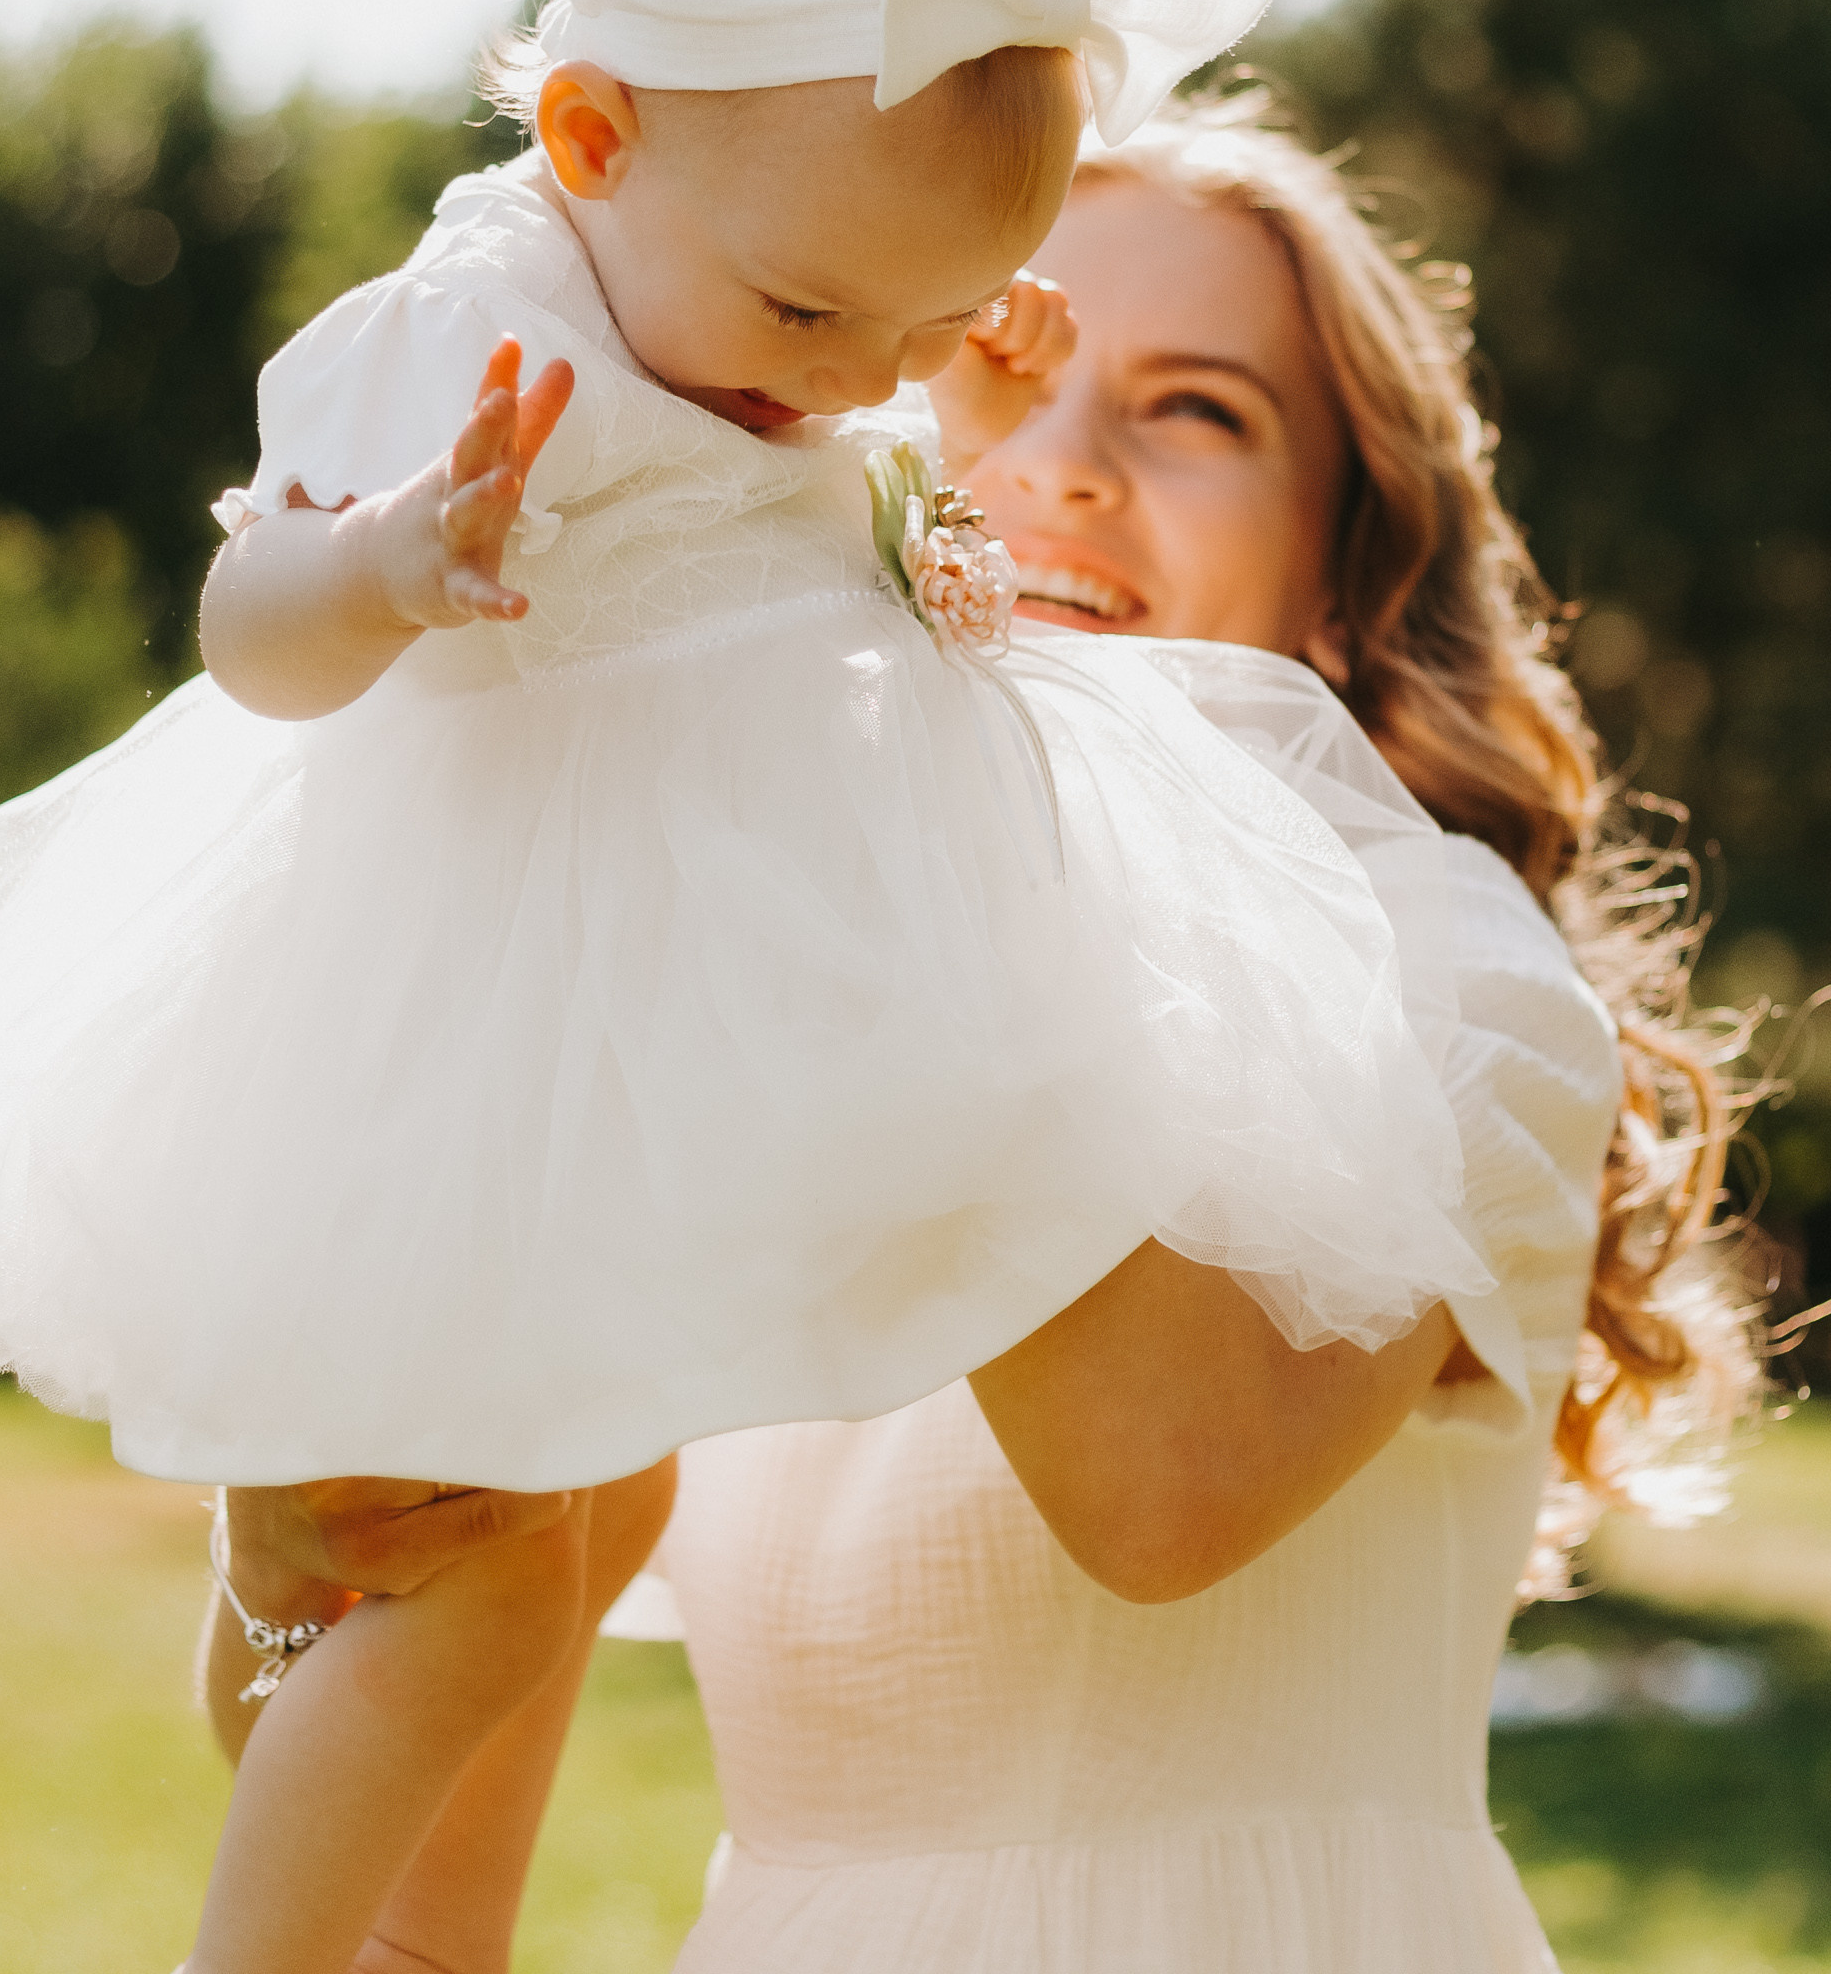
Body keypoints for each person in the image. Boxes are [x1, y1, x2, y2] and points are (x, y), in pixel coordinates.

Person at [0, 0, 1496, 1974]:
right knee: (475, 1555)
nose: (969, 434)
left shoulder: (1431, 1000)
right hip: (501, 972)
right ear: (597, 142)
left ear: (1365, 531)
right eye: (842, 324)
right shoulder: (515, 359)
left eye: (1189, 412)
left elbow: (1163, 1498)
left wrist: (925, 412)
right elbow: (264, 616)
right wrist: (395, 565)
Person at [212, 98, 1761, 1973]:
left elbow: (1169, 1486)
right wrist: (293, 1579)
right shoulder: (711, 985)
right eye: (983, 361)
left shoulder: (1457, 970)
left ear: (1349, 576)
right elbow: (417, 1921)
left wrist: (832, 803)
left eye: (1200, 412)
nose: (1061, 470)